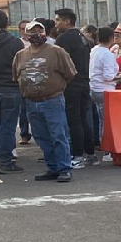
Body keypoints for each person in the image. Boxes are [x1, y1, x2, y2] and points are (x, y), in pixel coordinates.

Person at [14, 21, 76, 182]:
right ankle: (52, 167)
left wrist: (55, 87)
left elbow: (70, 73)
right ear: (26, 35)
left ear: (44, 33)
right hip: (31, 102)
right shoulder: (21, 55)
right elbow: (16, 76)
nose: (35, 34)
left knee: (58, 135)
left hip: (52, 100)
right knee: (41, 137)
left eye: (38, 30)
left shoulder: (56, 51)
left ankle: (64, 168)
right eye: (31, 31)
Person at [54, 8, 94, 168]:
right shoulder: (83, 38)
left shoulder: (64, 38)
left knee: (74, 120)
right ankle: (90, 154)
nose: (56, 23)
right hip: (84, 82)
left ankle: (77, 156)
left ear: (67, 21)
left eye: (58, 20)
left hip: (71, 84)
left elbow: (58, 63)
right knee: (83, 119)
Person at [0, 9, 24, 174]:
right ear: (6, 24)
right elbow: (21, 66)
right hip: (11, 89)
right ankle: (6, 161)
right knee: (8, 127)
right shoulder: (15, 43)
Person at [88, 26, 118, 159]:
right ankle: (107, 149)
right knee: (107, 121)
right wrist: (118, 75)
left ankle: (103, 144)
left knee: (101, 119)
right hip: (105, 89)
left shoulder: (94, 50)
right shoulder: (107, 54)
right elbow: (108, 76)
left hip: (95, 88)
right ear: (111, 38)